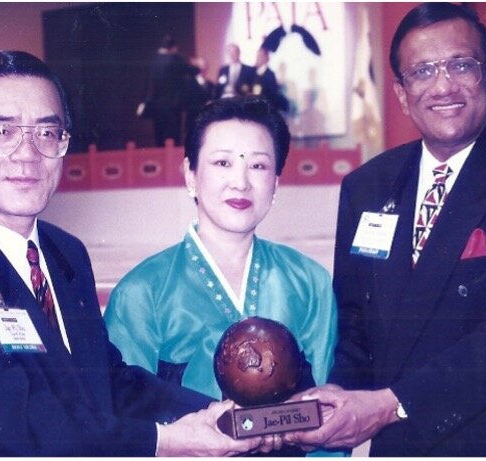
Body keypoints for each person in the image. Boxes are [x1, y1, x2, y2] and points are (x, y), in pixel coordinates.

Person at [284, 3, 486, 456]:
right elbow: (355, 322)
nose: (443, 85)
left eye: (461, 65)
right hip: (399, 446)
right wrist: (339, 399)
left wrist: (390, 405)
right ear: (403, 93)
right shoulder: (366, 187)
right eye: (423, 71)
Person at [0, 50, 271, 457]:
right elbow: (18, 423)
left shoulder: (66, 254)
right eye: (3, 133)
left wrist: (215, 415)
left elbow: (108, 380)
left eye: (46, 133)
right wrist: (163, 442)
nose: (27, 155)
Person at [104, 96, 337, 454]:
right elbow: (127, 423)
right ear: (190, 174)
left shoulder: (309, 282)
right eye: (222, 162)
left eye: (258, 166)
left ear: (276, 182)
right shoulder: (142, 292)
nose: (240, 183)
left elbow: (328, 419)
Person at [144, 35, 187, 147]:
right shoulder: (174, 59)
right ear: (172, 47)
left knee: (160, 137)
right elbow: (188, 70)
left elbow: (149, 83)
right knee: (174, 138)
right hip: (173, 105)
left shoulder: (154, 61)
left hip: (157, 105)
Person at [184, 56, 214, 139]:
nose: (203, 69)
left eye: (205, 66)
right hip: (193, 122)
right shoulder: (189, 83)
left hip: (207, 123)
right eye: (200, 66)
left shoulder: (211, 84)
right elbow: (187, 104)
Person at [251, 48, 289, 113]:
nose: (257, 59)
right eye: (257, 56)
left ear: (266, 58)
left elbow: (272, 95)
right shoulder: (252, 71)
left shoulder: (270, 75)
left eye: (260, 57)